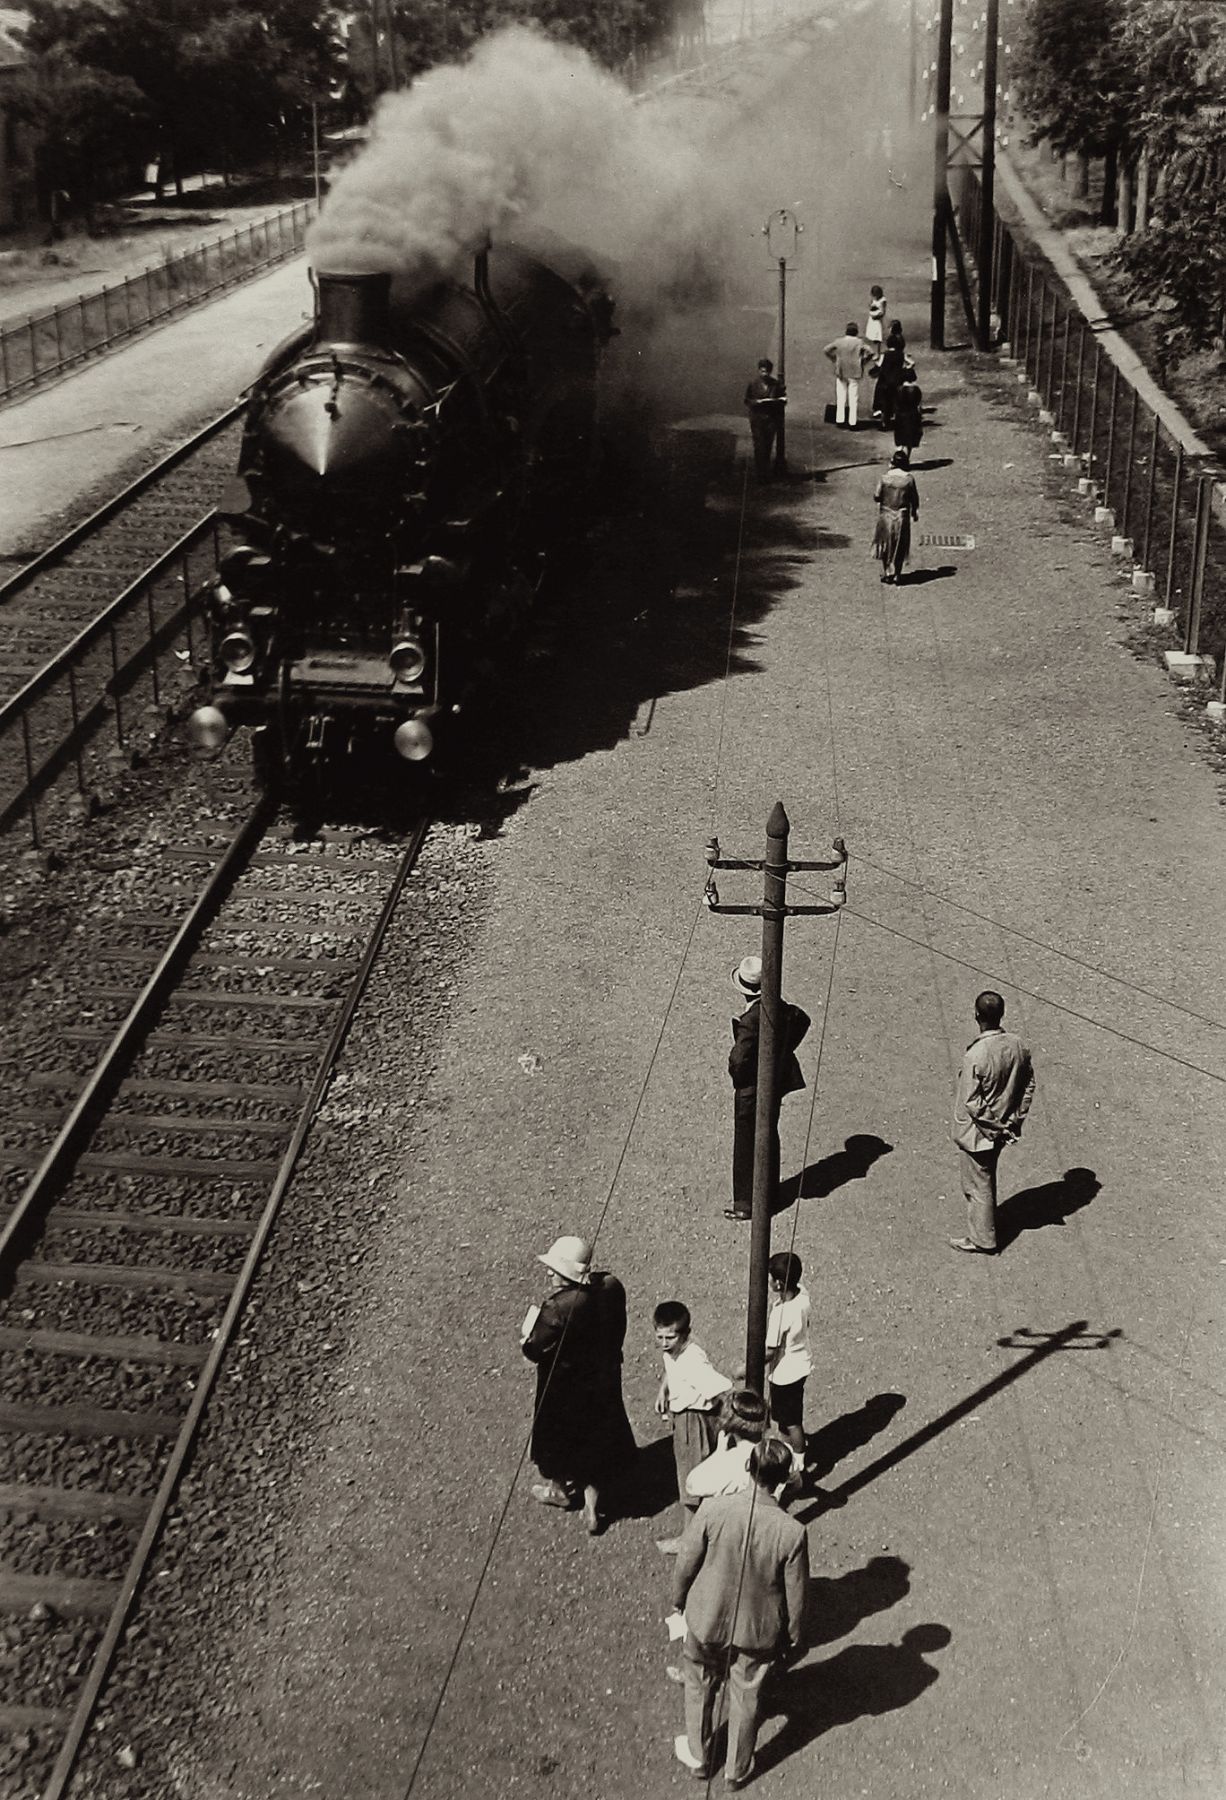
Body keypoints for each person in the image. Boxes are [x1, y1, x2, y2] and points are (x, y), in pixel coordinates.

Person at [670, 1439, 809, 1787]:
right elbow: (797, 1593)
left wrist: (678, 1599)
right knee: (746, 1695)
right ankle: (736, 1769)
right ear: (781, 1481)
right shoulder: (791, 1532)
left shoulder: (714, 1510)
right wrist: (793, 1635)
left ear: (749, 1469)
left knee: (699, 1683)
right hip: (756, 1630)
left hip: (705, 1617)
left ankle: (699, 1756)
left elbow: (686, 1561)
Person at [521, 1235, 632, 1533]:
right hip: (602, 1377)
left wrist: (526, 1338)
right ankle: (593, 1507)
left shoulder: (558, 1307)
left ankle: (558, 1489)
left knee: (557, 1437)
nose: (549, 1274)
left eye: (555, 1269)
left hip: (564, 1385)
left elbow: (533, 1348)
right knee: (595, 1437)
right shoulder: (611, 1287)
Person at [726, 954, 811, 1221]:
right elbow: (802, 1020)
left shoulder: (751, 1019)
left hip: (752, 1089)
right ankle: (770, 1194)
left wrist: (743, 1075)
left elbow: (739, 1060)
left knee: (746, 1142)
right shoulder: (781, 1008)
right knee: (768, 1136)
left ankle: (746, 1202)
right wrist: (781, 1054)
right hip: (775, 1084)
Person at [951, 991, 1035, 1254]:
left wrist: (996, 1125)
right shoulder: (1017, 1045)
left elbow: (972, 1102)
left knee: (978, 1186)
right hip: (1003, 1128)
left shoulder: (976, 1056)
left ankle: (982, 1239)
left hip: (980, 1134)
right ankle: (984, 1230)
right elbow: (1028, 1084)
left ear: (977, 1016)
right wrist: (1014, 1119)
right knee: (985, 1179)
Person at [653, 1300, 732, 1553]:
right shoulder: (675, 1352)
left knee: (691, 1482)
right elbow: (670, 1365)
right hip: (683, 1415)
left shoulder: (693, 1362)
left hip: (693, 1421)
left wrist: (733, 1418)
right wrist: (664, 1389)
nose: (664, 1343)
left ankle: (689, 1542)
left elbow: (722, 1388)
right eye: (660, 1336)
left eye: (670, 1337)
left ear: (685, 1334)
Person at [765, 1251, 811, 1472]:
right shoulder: (803, 1296)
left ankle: (798, 1460)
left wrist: (748, 1367)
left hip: (785, 1373)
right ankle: (790, 1449)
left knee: (791, 1420)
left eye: (771, 1278)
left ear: (779, 1283)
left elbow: (770, 1352)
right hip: (802, 1362)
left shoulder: (780, 1315)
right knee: (787, 1415)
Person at [684, 1387, 770, 1503]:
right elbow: (796, 1483)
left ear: (729, 1424)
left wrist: (718, 1454)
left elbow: (691, 1486)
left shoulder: (726, 1464)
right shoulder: (777, 1452)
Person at [872, 449, 920, 585]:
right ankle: (898, 574)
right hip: (902, 515)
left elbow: (877, 496)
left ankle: (887, 572)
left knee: (884, 544)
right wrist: (914, 512)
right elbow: (914, 498)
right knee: (900, 544)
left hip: (886, 514)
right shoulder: (909, 479)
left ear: (892, 463)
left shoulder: (884, 478)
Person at [822, 322, 876, 429]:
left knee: (841, 396)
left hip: (841, 370)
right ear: (856, 332)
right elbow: (870, 352)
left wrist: (835, 359)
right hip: (854, 371)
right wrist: (863, 361)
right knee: (853, 397)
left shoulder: (839, 341)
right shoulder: (859, 342)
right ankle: (852, 421)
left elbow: (826, 349)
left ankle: (840, 419)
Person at [743, 357, 786, 481]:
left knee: (767, 446)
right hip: (757, 419)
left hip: (771, 420)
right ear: (759, 371)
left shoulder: (776, 384)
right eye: (762, 371)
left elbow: (783, 399)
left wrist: (779, 401)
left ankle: (765, 471)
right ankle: (760, 473)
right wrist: (756, 402)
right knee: (759, 445)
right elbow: (747, 400)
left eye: (766, 371)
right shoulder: (752, 384)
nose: (764, 374)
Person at [871, 320, 907, 427]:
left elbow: (879, 364)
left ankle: (879, 410)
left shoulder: (885, 354)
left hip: (885, 379)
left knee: (880, 393)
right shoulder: (901, 353)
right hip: (897, 378)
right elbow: (909, 362)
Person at [893, 364, 924, 460]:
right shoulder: (917, 390)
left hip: (900, 416)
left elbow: (895, 404)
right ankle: (907, 458)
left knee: (900, 438)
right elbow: (919, 405)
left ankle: (899, 456)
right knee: (910, 438)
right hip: (913, 416)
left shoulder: (899, 389)